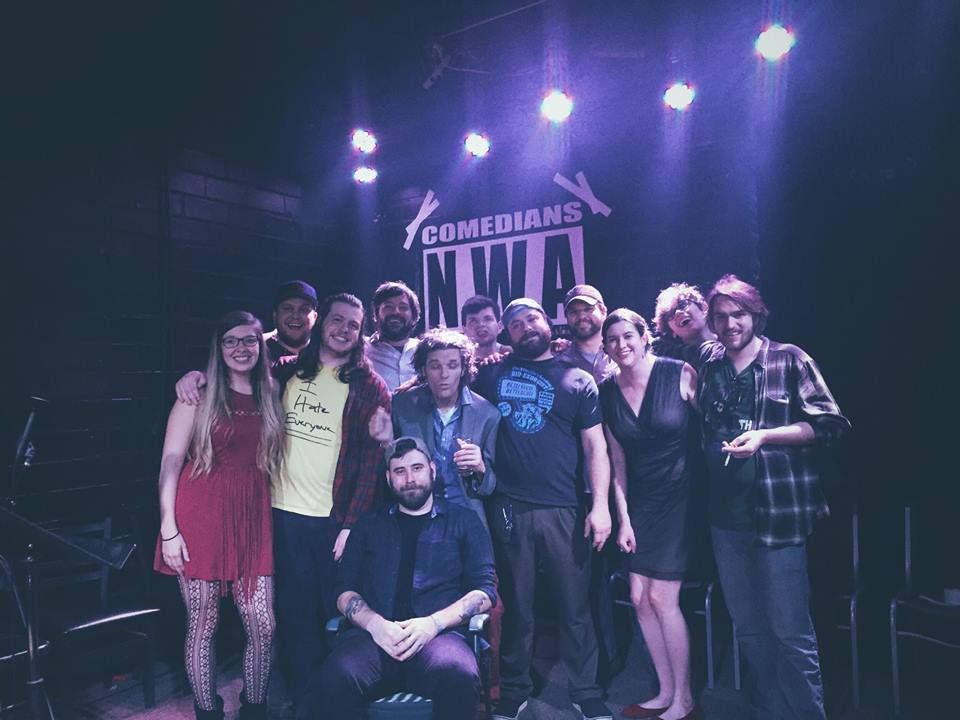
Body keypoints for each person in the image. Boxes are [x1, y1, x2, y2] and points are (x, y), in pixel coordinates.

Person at [698, 274, 850, 720]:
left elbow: (830, 424)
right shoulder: (711, 365)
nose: (730, 324)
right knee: (749, 629)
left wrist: (766, 436)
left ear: (756, 315)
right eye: (721, 316)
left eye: (738, 314)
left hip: (778, 516)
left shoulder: (789, 359)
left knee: (789, 632)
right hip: (725, 521)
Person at [296, 436, 496, 720]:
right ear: (389, 479)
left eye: (417, 468)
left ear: (432, 470)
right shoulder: (369, 524)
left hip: (439, 639)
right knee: (335, 676)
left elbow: (484, 592)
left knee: (458, 673)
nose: (410, 479)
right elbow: (344, 591)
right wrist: (375, 625)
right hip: (375, 639)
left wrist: (433, 624)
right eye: (399, 471)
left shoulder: (463, 521)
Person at [480, 298, 614, 720]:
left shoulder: (578, 378)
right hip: (509, 507)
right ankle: (514, 689)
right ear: (507, 334)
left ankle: (585, 690)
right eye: (515, 324)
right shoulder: (491, 374)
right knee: (518, 607)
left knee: (575, 607)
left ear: (546, 322)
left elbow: (596, 447)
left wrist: (601, 506)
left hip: (565, 508)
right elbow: (442, 380)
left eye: (531, 318)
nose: (525, 327)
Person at [154, 311, 283, 720]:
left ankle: (254, 708)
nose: (240, 348)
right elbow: (170, 462)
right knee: (203, 622)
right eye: (231, 340)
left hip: (252, 516)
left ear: (261, 345)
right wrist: (168, 527)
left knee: (263, 624)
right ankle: (207, 711)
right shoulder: (197, 394)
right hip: (200, 515)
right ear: (219, 347)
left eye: (249, 340)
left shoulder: (272, 389)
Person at [270, 292, 392, 710]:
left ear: (361, 333)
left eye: (353, 325)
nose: (343, 330)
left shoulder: (370, 386)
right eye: (337, 320)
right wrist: (196, 377)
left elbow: (373, 463)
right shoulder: (286, 371)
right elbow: (234, 380)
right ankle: (303, 704)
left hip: (333, 519)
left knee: (333, 614)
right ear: (321, 321)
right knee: (293, 614)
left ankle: (336, 702)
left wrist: (351, 524)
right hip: (281, 512)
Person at [599, 309, 700, 720]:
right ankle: (665, 690)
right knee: (639, 597)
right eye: (613, 339)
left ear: (644, 337)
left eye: (628, 336)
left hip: (681, 498)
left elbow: (712, 430)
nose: (621, 345)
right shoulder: (607, 391)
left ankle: (685, 699)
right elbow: (617, 462)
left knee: (661, 597)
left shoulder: (679, 373)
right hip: (640, 502)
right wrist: (623, 517)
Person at [365, 280, 421, 391]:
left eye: (403, 307)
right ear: (376, 314)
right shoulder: (361, 349)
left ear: (414, 317)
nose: (396, 312)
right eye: (388, 307)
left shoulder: (426, 350)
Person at [555, 284, 618, 382]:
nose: (581, 316)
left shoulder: (622, 352)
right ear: (566, 317)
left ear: (603, 312)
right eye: (574, 312)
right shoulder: (558, 359)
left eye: (588, 309)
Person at [651, 283, 716, 368]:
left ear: (703, 308)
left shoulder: (730, 342)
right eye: (670, 315)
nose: (678, 313)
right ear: (672, 331)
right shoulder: (673, 365)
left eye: (682, 305)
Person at [264, 280, 319, 361]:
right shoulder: (258, 356)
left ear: (315, 317)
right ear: (275, 316)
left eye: (304, 309)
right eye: (287, 309)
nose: (295, 316)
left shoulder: (327, 356)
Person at [461, 294, 510, 360]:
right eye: (473, 321)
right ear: (465, 330)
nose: (481, 325)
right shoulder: (459, 360)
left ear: (500, 326)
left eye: (488, 319)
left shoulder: (512, 357)